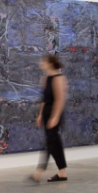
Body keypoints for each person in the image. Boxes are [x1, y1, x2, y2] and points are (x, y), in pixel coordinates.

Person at [31, 54, 68, 183]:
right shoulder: (46, 78)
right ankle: (62, 172)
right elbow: (44, 99)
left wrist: (55, 117)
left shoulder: (59, 78)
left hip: (55, 113)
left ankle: (39, 171)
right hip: (47, 113)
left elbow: (60, 100)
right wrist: (40, 115)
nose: (41, 64)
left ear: (50, 64)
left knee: (50, 142)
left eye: (44, 62)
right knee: (54, 143)